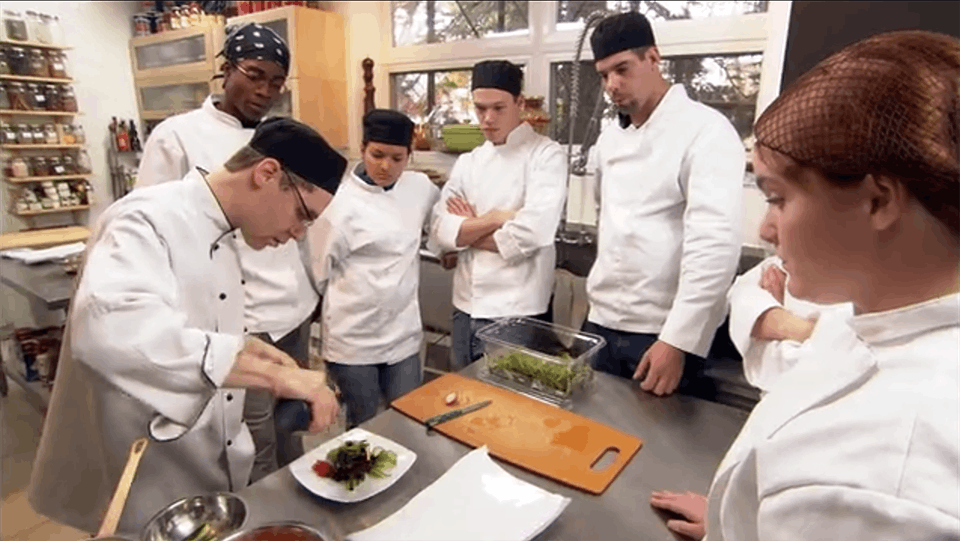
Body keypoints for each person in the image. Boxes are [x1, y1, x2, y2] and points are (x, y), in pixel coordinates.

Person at [650, 30, 960, 540]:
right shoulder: (866, 318)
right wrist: (741, 519)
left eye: (777, 199)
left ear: (877, 201)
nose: (764, 230)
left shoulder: (888, 482)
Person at [28, 117, 348, 538]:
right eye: (301, 215)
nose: (297, 233)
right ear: (267, 173)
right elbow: (110, 333)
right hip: (142, 472)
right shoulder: (144, 219)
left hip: (201, 474)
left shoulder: (223, 232)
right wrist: (276, 376)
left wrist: (249, 350)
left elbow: (191, 325)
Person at [135, 23, 317, 478]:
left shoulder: (281, 135)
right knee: (251, 438)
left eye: (276, 82)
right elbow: (154, 229)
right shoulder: (177, 135)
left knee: (292, 423)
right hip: (237, 318)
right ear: (225, 69)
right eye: (254, 75)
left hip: (291, 310)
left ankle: (295, 506)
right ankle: (262, 519)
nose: (265, 90)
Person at [583, 11, 746, 397]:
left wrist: (678, 339)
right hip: (601, 324)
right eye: (604, 75)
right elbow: (605, 218)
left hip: (662, 333)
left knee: (653, 449)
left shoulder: (706, 131)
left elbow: (715, 244)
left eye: (622, 69)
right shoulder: (609, 140)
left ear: (653, 59)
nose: (612, 85)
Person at [429, 60, 567, 371]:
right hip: (465, 307)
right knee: (463, 397)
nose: (487, 119)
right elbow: (439, 228)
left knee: (508, 410)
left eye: (498, 108)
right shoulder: (469, 162)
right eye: (480, 109)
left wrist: (465, 232)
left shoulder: (546, 155)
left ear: (520, 103)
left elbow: (533, 232)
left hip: (516, 312)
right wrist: (495, 218)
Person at [305, 109, 439, 427]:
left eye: (397, 158)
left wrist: (448, 247)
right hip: (353, 340)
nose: (385, 166)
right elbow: (316, 271)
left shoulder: (419, 188)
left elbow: (440, 224)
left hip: (403, 335)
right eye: (377, 155)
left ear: (409, 156)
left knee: (407, 419)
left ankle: (404, 477)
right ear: (363, 148)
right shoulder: (338, 202)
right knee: (364, 425)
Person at [726, 254, 851, 393]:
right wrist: (804, 330)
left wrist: (776, 325)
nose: (764, 233)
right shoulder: (788, 259)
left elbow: (829, 367)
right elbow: (742, 294)